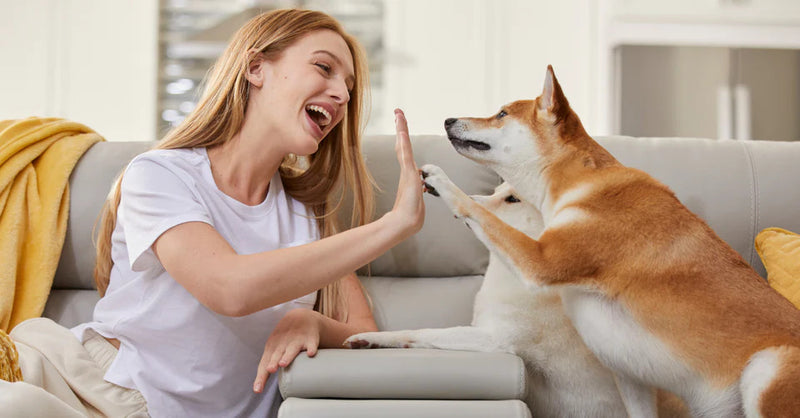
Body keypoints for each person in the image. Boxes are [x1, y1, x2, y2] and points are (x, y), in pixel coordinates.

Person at [2, 8, 425, 417]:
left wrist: (314, 322)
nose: (342, 94)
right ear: (256, 68)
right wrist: (395, 224)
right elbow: (228, 289)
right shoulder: (161, 174)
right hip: (96, 392)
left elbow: (365, 333)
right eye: (324, 68)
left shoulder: (306, 217)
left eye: (349, 87)